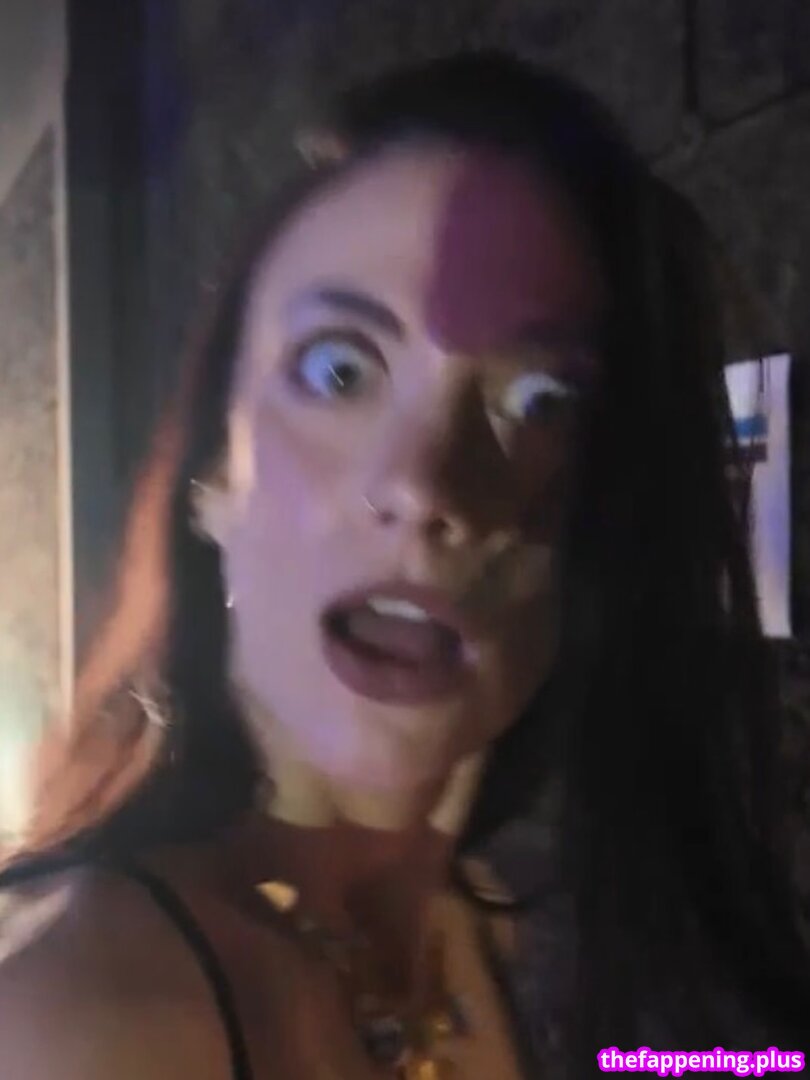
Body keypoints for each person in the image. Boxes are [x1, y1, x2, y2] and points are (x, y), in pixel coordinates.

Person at [0, 50, 808, 1079]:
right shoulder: (89, 1021)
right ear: (215, 476)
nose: (426, 485)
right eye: (338, 368)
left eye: (542, 403)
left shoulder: (508, 931)